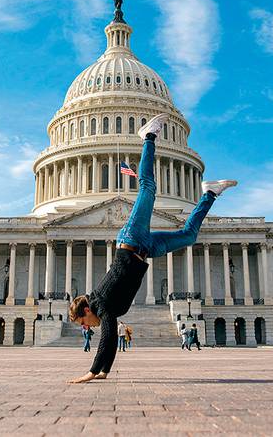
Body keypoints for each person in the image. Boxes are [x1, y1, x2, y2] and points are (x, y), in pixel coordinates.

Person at [67, 114, 237, 383]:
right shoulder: (103, 310)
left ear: (86, 311)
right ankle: (210, 193)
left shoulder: (102, 304)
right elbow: (109, 336)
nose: (86, 327)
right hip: (144, 249)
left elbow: (109, 336)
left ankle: (148, 136)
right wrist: (101, 373)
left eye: (83, 323)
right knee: (189, 236)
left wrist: (92, 372)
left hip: (131, 239)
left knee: (147, 188)